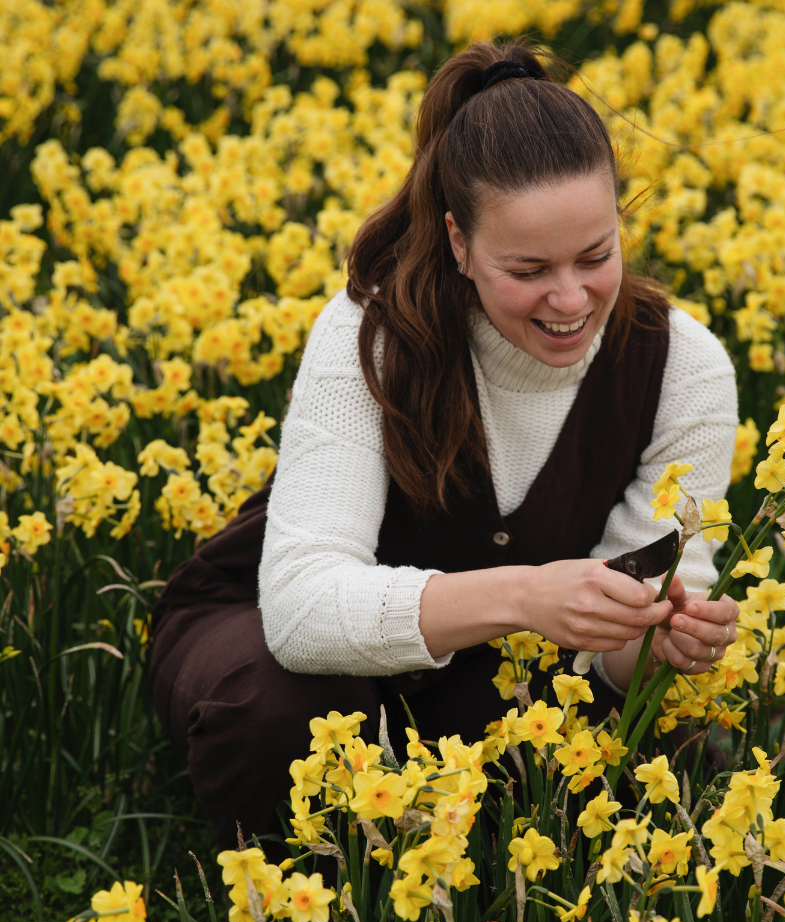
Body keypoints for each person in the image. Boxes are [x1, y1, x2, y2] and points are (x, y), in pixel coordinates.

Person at [149, 40, 741, 851]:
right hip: (281, 646)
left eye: (597, 256)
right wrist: (526, 596)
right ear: (459, 243)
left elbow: (606, 667)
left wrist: (657, 644)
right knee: (293, 720)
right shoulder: (374, 331)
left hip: (503, 677)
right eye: (528, 268)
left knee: (627, 768)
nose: (571, 299)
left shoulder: (686, 370)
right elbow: (301, 612)